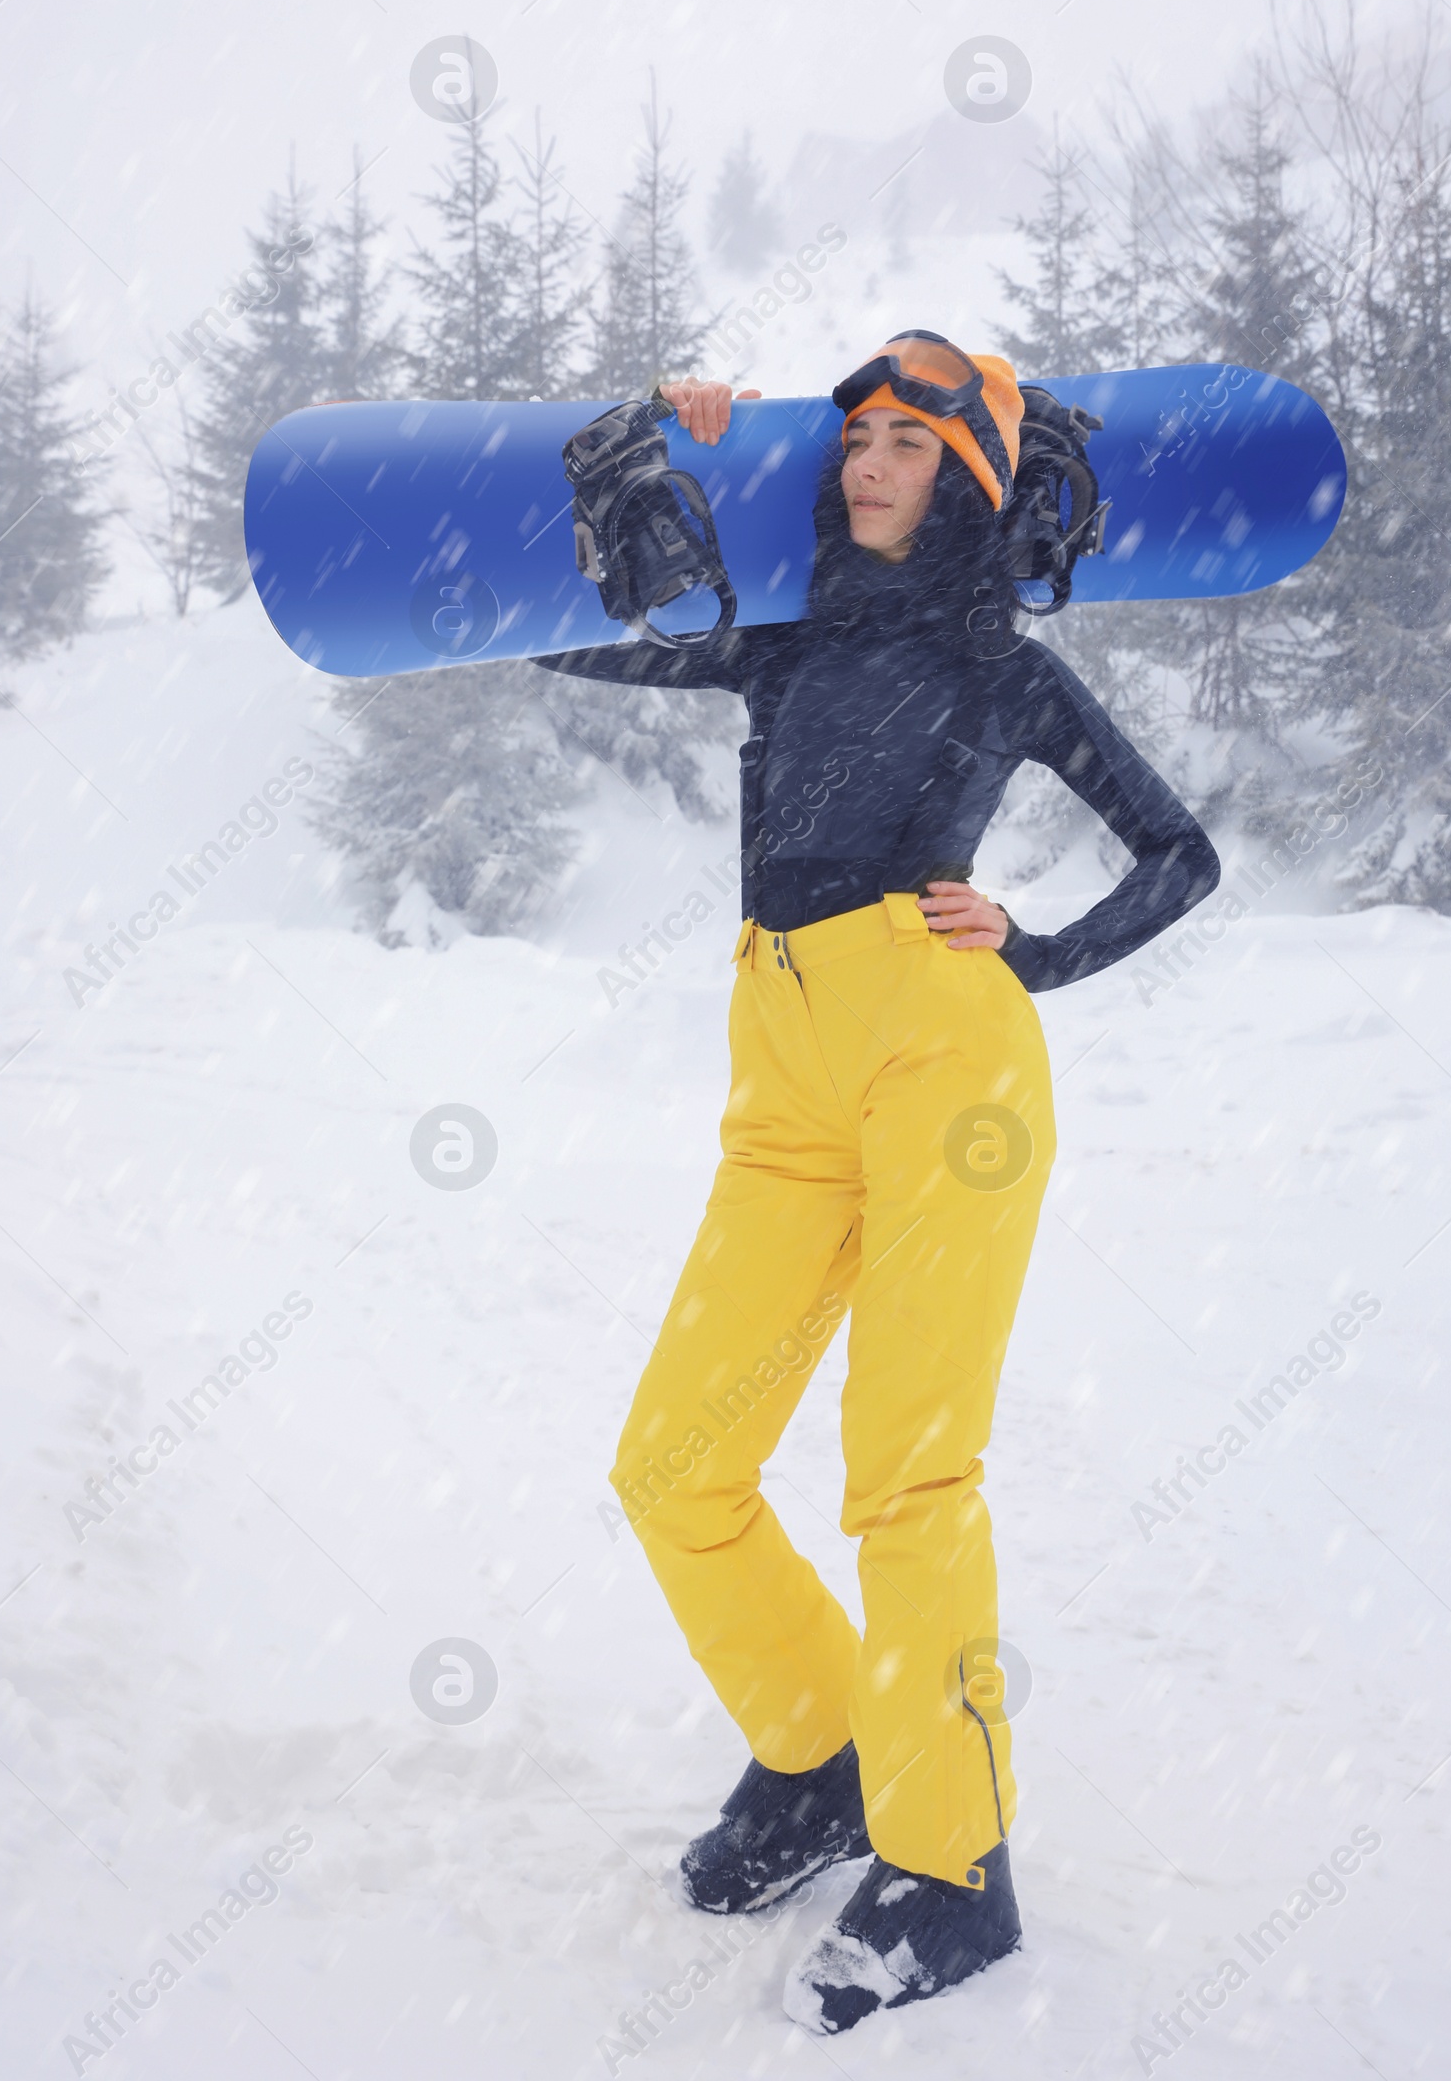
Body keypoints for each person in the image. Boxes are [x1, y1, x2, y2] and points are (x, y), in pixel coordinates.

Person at [539, 336, 1219, 2034]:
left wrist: (1039, 955)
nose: (867, 459)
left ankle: (954, 1863)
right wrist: (641, 466)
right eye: (858, 434)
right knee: (676, 1461)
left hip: (945, 1069)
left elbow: (1181, 849)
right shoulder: (783, 634)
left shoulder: (1000, 665)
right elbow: (560, 644)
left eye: (910, 440)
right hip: (782, 1069)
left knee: (907, 1478)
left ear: (969, 479)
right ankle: (822, 1755)